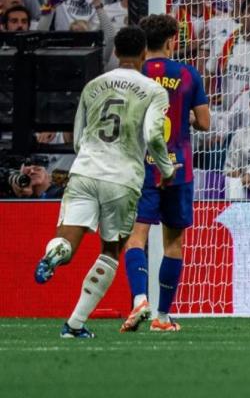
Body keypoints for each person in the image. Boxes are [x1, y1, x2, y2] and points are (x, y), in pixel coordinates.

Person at [33, 26, 176, 339]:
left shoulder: (93, 85)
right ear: (143, 55)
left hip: (84, 171)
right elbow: (153, 135)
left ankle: (54, 252)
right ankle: (73, 325)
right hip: (122, 179)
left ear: (115, 53)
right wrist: (166, 169)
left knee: (67, 242)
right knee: (111, 250)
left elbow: (78, 136)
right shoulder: (153, 90)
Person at [120, 15, 210, 333]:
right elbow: (205, 123)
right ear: (172, 40)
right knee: (173, 243)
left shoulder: (133, 75)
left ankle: (139, 299)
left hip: (139, 167)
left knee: (135, 238)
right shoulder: (187, 74)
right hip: (178, 168)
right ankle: (162, 316)